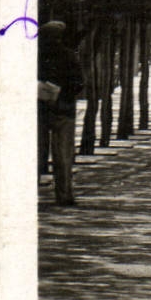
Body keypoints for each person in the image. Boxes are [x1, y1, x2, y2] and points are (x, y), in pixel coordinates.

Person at [37, 20, 84, 206]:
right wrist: (63, 93)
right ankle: (64, 196)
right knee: (63, 155)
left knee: (37, 153)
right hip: (63, 111)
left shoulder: (37, 56)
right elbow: (79, 84)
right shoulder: (69, 56)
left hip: (41, 109)